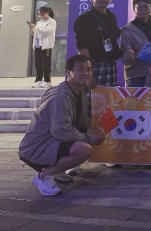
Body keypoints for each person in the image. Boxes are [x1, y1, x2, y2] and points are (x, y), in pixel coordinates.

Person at [19, 55, 105, 196]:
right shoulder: (60, 97)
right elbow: (62, 132)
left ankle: (58, 169)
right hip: (36, 147)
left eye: (89, 69)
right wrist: (90, 138)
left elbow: (81, 123)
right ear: (69, 72)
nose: (86, 73)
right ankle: (44, 176)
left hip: (52, 140)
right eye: (80, 69)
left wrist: (95, 131)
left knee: (94, 135)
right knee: (83, 149)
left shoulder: (81, 92)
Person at [73, 0, 122, 87]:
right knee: (91, 96)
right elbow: (82, 48)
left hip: (111, 65)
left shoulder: (111, 16)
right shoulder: (84, 19)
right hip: (94, 66)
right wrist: (88, 73)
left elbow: (114, 35)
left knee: (110, 96)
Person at [120, 0, 151, 87]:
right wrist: (131, 55)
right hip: (136, 76)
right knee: (136, 97)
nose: (143, 9)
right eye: (139, 7)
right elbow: (125, 60)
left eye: (146, 6)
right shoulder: (127, 30)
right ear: (134, 9)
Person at [30, 6, 57, 88]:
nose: (41, 16)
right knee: (38, 63)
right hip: (38, 44)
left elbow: (48, 31)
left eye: (42, 14)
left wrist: (36, 28)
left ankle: (47, 80)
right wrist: (32, 29)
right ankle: (38, 80)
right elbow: (35, 33)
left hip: (46, 45)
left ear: (47, 13)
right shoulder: (39, 22)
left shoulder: (52, 21)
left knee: (46, 64)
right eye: (39, 15)